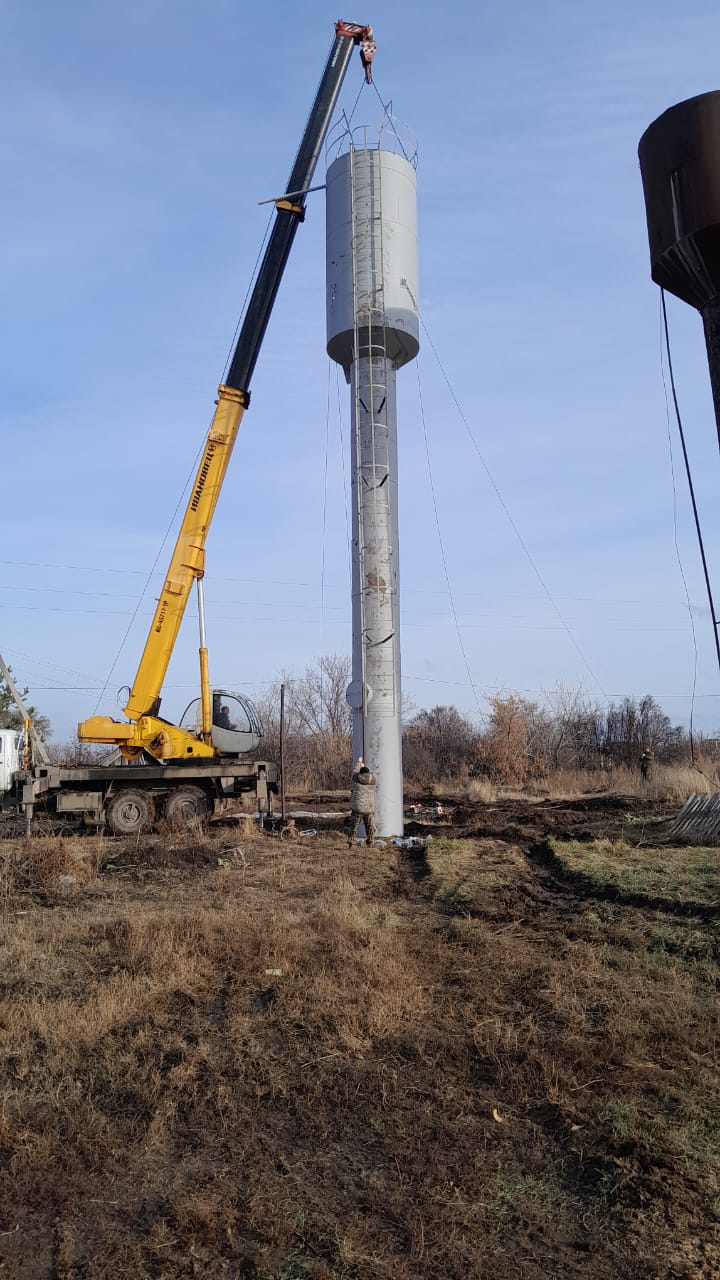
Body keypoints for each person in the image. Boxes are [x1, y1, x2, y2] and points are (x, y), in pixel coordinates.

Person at [348, 758, 376, 847]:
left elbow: (355, 772)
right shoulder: (373, 780)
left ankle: (351, 843)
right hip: (369, 808)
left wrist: (359, 762)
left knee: (354, 826)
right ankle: (371, 842)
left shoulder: (356, 779)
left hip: (358, 808)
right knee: (369, 826)